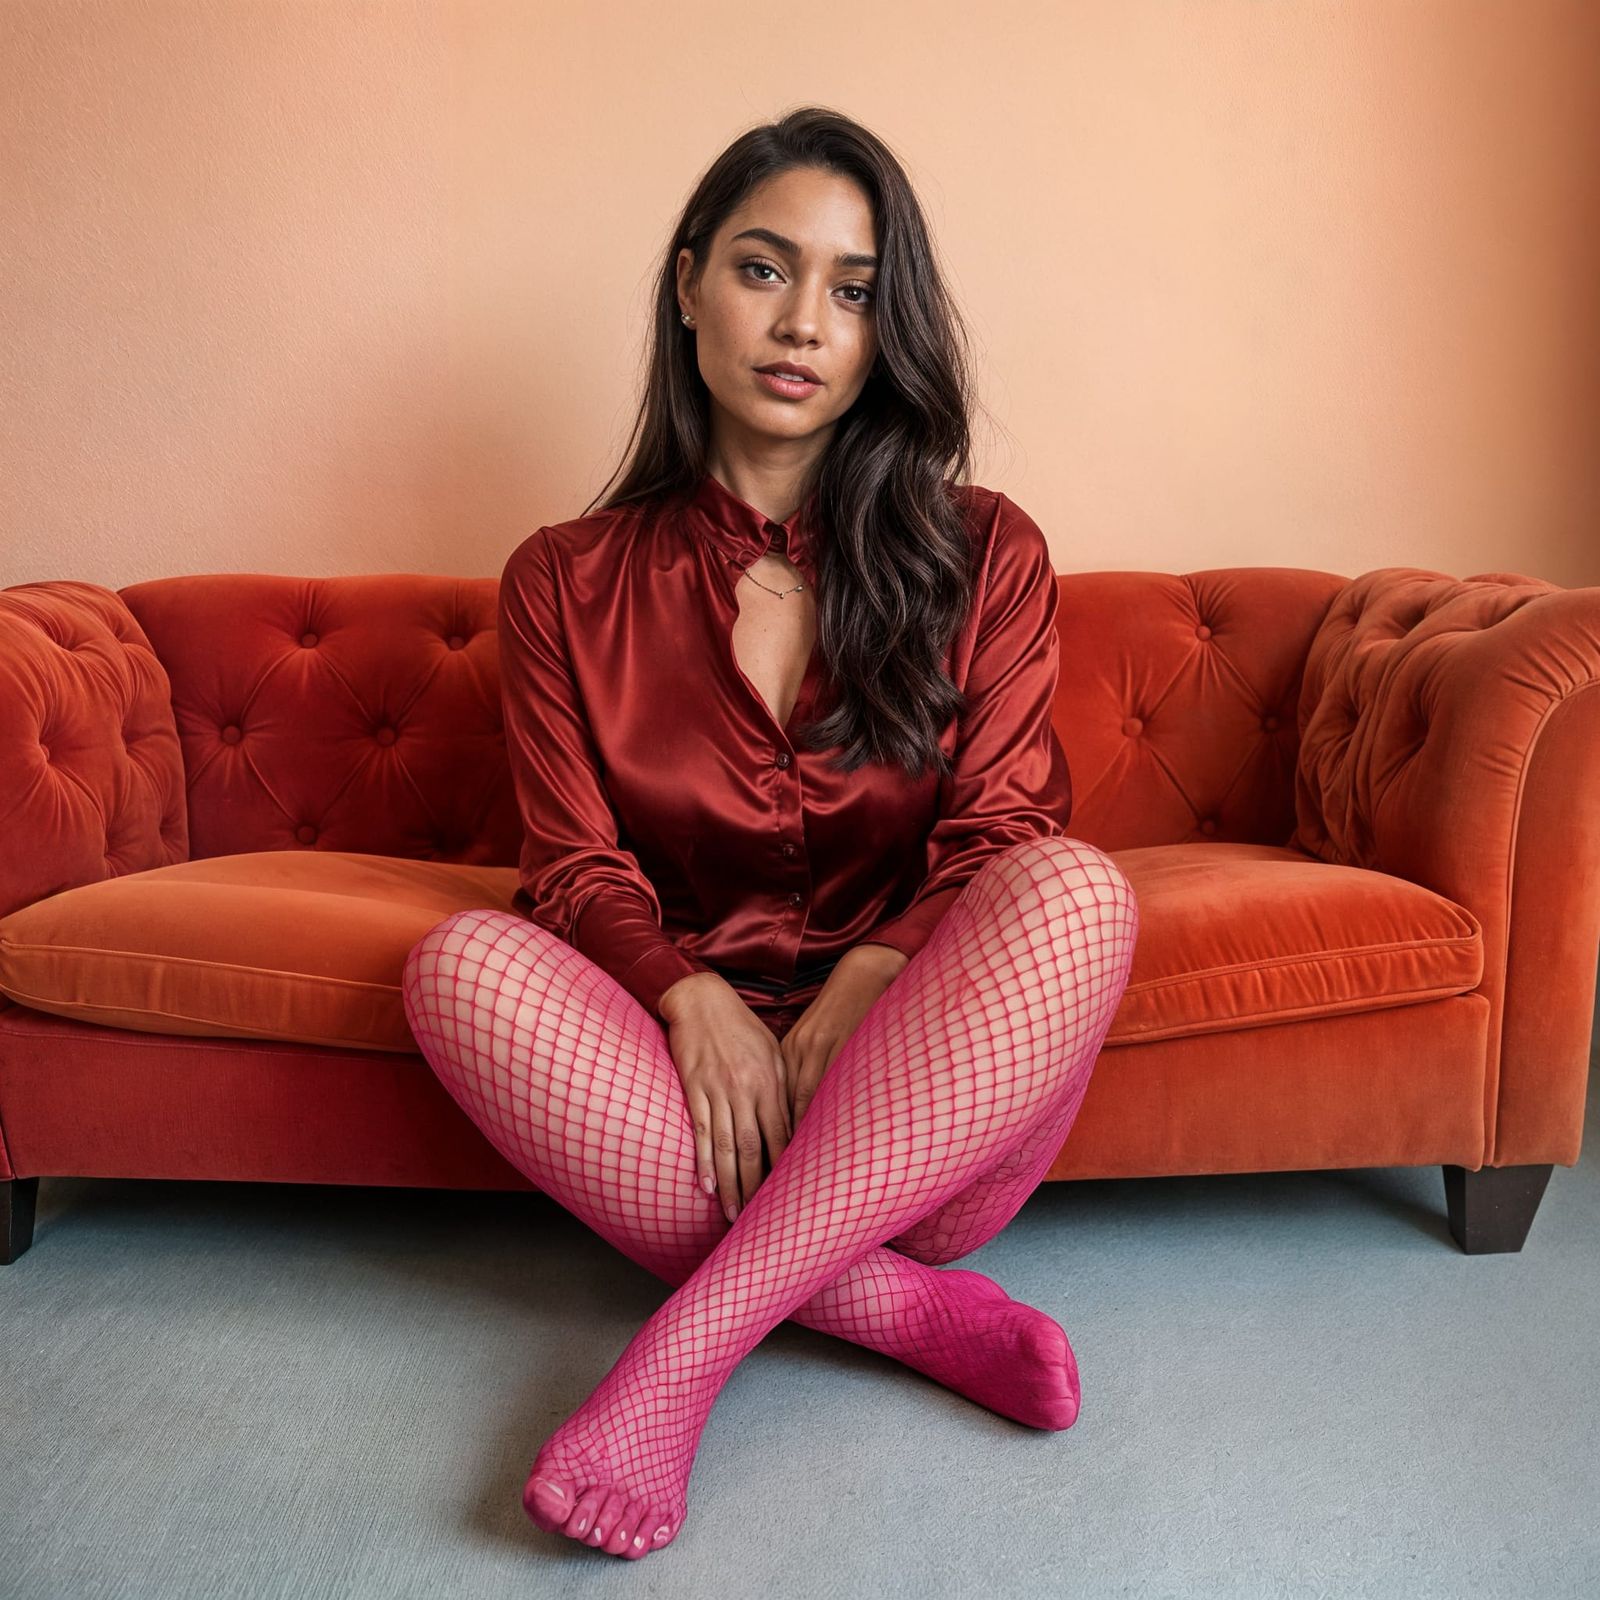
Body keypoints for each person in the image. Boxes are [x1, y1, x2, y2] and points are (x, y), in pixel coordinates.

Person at [401, 106, 1140, 1562]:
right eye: (762, 269)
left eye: (855, 289)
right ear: (686, 287)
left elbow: (998, 825)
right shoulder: (562, 578)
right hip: (701, 1117)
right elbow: (572, 865)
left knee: (1076, 891)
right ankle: (898, 1311)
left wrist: (869, 975)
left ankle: (678, 1364)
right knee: (456, 969)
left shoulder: (988, 548)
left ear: (888, 328)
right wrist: (686, 999)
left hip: (939, 1108)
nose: (805, 322)